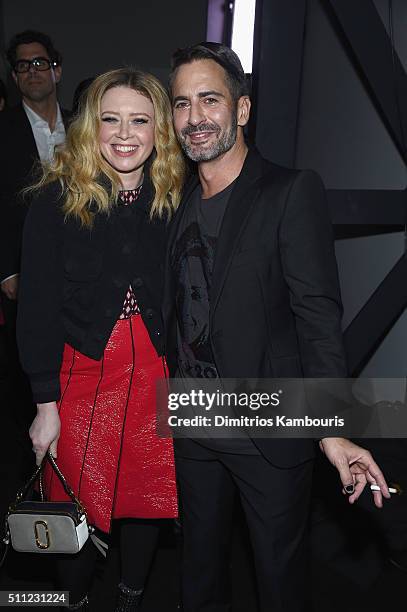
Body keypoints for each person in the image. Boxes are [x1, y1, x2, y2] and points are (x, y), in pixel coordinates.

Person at [164, 42, 391, 612]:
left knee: (278, 578)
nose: (194, 117)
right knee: (198, 572)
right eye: (182, 103)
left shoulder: (289, 191)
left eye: (209, 100)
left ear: (241, 110)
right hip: (192, 424)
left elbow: (318, 320)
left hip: (267, 428)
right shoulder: (177, 202)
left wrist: (332, 428)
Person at [17, 67, 185, 611]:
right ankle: (75, 597)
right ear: (91, 125)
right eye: (110, 118)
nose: (124, 133)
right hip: (83, 369)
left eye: (140, 119)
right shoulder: (56, 199)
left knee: (144, 495)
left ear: (160, 129)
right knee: (77, 497)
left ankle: (130, 596)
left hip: (157, 370)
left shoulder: (178, 198)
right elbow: (37, 306)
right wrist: (45, 402)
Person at [0, 30, 70, 435]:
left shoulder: (83, 125)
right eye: (22, 66)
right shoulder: (2, 130)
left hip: (78, 267)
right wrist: (7, 270)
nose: (32, 72)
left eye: (40, 63)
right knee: (27, 374)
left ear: (57, 70)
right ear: (14, 76)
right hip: (23, 275)